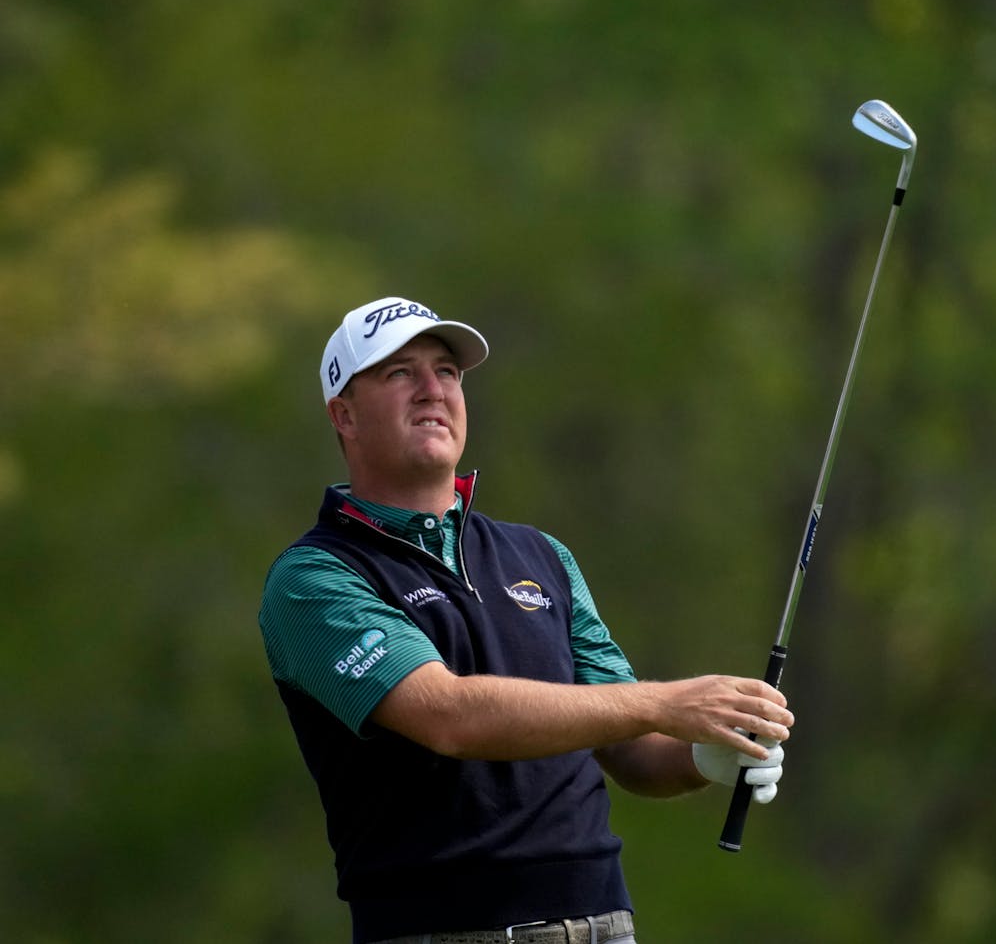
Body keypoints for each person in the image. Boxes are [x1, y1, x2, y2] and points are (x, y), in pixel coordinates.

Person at [259, 297, 793, 944]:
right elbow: (448, 716)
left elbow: (630, 746)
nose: (433, 388)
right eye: (400, 372)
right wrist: (666, 700)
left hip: (604, 926)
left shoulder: (541, 555)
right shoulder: (315, 578)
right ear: (343, 414)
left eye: (448, 372)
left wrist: (705, 756)